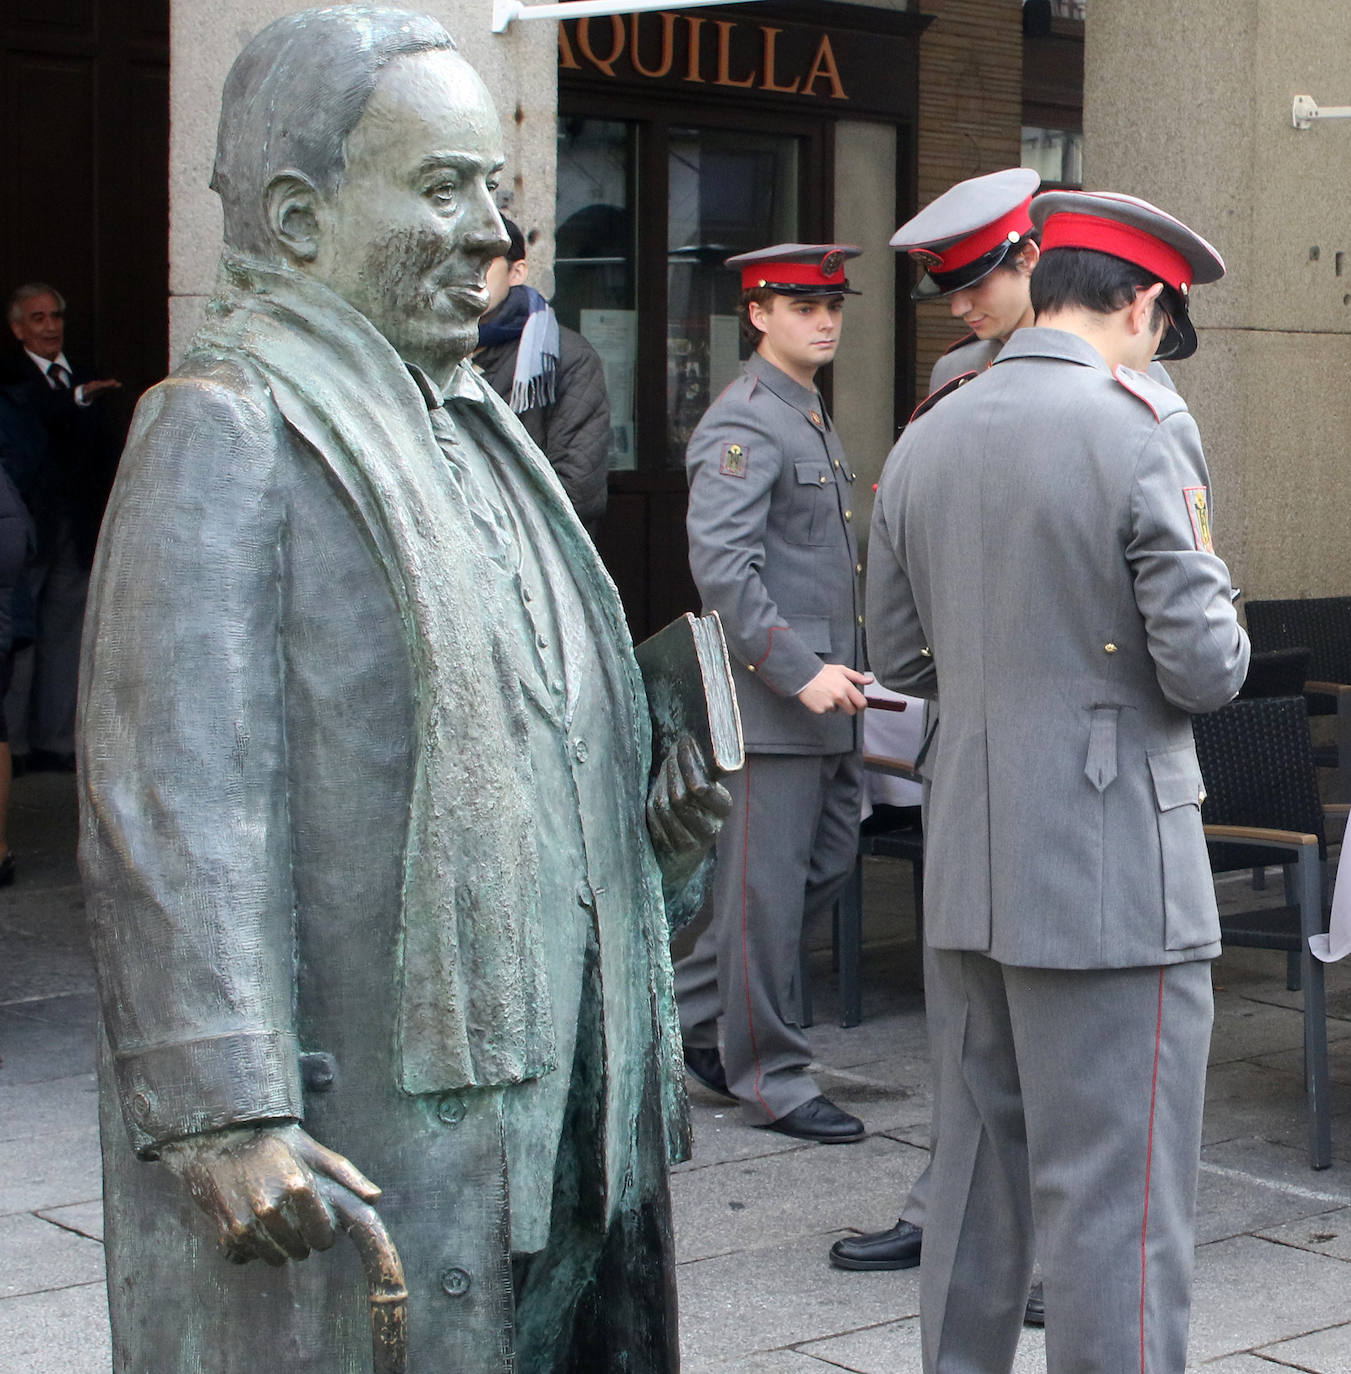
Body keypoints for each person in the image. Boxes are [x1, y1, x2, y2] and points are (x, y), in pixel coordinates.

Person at [77, 10, 729, 1372]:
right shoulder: (224, 426)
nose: (494, 232)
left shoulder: (483, 428)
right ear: (299, 218)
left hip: (556, 1095)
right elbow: (168, 796)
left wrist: (649, 814)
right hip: (377, 1110)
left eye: (495, 187)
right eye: (442, 187)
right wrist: (220, 1106)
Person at [866, 189, 1248, 1371]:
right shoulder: (1138, 426)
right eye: (1160, 325)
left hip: (971, 856)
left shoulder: (929, 428)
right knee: (1118, 1208)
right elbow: (1203, 668)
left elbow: (894, 656)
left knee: (977, 1186)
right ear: (1141, 302)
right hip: (1111, 866)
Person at [675, 244, 871, 1145]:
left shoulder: (808, 415)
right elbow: (725, 571)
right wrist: (800, 670)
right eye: (799, 306)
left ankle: (678, 1017)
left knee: (811, 874)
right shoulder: (744, 423)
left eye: (830, 304)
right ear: (757, 315)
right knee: (765, 898)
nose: (823, 319)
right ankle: (773, 1077)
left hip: (827, 700)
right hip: (775, 705)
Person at [2, 283, 120, 773]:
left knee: (67, 632)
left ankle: (57, 740)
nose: (50, 326)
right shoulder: (9, 376)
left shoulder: (88, 374)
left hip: (77, 524)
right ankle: (17, 743)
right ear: (17, 329)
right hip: (29, 526)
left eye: (55, 316)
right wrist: (75, 400)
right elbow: (36, 422)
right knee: (20, 637)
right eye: (37, 318)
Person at [474, 216, 610, 535]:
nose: (469, 275)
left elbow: (578, 489)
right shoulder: (425, 349)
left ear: (516, 271)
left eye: (484, 262)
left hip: (525, 551)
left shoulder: (564, 355)